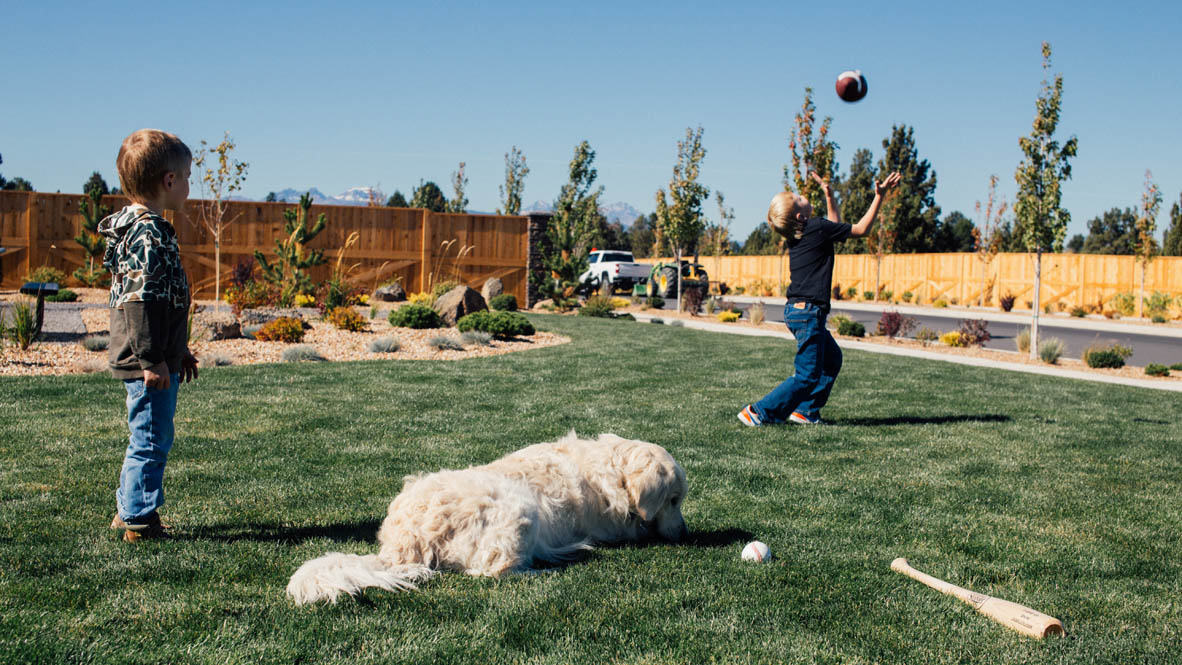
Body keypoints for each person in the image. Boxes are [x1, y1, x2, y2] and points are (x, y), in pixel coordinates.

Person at [738, 170, 900, 427]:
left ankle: (806, 411)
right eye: (798, 197)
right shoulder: (816, 228)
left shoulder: (801, 234)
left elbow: (834, 226)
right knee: (807, 376)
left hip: (797, 311)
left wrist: (829, 195)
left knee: (831, 359)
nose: (803, 195)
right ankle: (758, 411)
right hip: (808, 312)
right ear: (801, 215)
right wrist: (879, 196)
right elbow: (861, 230)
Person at [99, 129, 200, 542]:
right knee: (151, 438)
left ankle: (128, 509)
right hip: (148, 363)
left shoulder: (141, 230)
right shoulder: (149, 233)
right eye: (188, 176)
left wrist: (181, 350)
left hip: (155, 356)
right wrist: (152, 360)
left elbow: (162, 301)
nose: (190, 185)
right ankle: (140, 519)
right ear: (169, 181)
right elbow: (140, 304)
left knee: (146, 433)